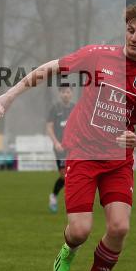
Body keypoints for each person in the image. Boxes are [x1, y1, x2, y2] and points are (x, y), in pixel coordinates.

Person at [0, 3, 136, 271]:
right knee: (80, 230)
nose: (133, 37)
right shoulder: (98, 55)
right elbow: (50, 68)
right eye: (130, 30)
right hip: (83, 153)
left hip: (118, 161)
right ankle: (69, 248)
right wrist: (9, 96)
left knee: (119, 227)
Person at [46, 84, 75, 213]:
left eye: (68, 92)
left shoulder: (75, 108)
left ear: (71, 93)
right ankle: (53, 196)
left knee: (74, 175)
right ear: (60, 94)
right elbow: (49, 127)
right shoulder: (55, 108)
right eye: (63, 92)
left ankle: (74, 201)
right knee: (64, 175)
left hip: (73, 148)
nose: (65, 94)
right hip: (60, 148)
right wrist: (56, 142)